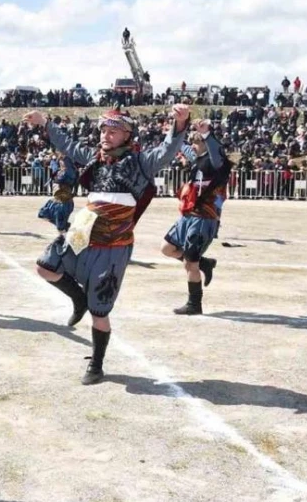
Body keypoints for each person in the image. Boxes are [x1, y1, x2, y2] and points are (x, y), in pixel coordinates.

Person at [23, 105, 190, 385]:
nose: (106, 136)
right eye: (103, 130)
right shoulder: (94, 157)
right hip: (82, 234)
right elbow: (68, 144)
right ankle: (77, 299)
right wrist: (46, 122)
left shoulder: (141, 163)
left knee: (100, 311)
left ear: (127, 135)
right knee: (46, 267)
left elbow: (167, 150)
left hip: (113, 245)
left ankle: (97, 365)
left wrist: (180, 122)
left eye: (113, 132)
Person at [160, 120, 227, 315]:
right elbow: (183, 148)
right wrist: (173, 132)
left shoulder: (216, 163)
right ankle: (204, 263)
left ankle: (194, 303)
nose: (192, 146)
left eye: (196, 143)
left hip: (204, 217)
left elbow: (217, 152)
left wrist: (206, 134)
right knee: (167, 248)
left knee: (191, 263)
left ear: (205, 144)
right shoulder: (198, 158)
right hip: (189, 214)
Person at [37, 153, 77, 234]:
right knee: (43, 214)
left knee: (61, 227)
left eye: (63, 161)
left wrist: (64, 157)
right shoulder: (60, 171)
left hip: (64, 202)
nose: (61, 162)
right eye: (60, 161)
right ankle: (66, 228)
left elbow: (67, 175)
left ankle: (65, 232)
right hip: (56, 201)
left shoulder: (70, 172)